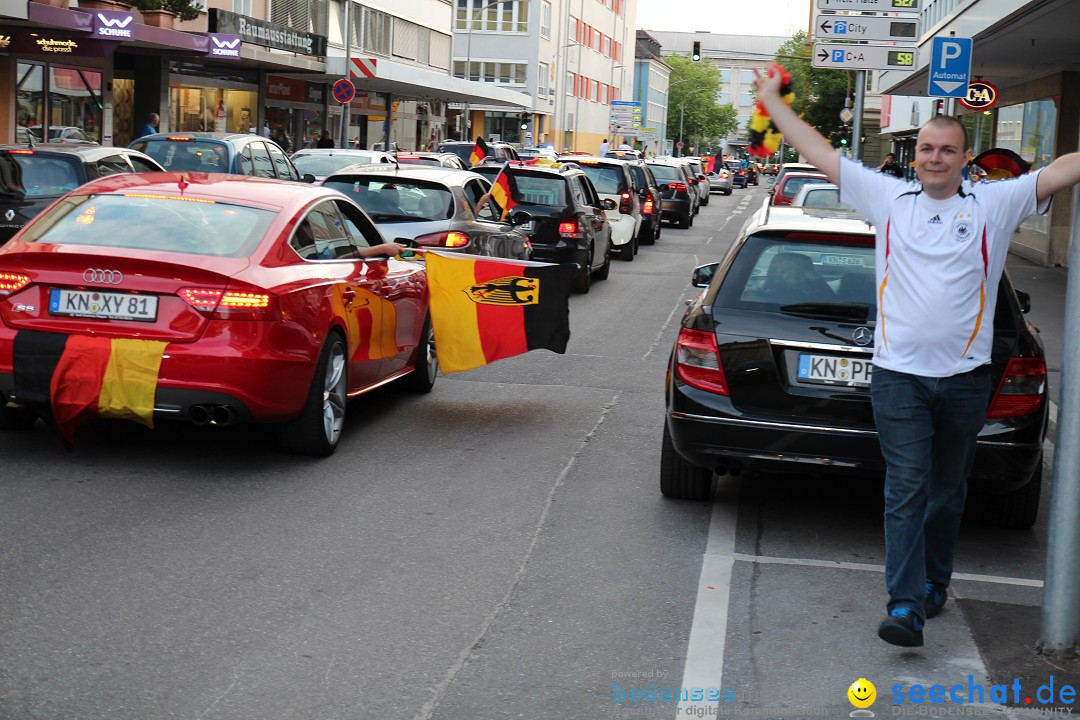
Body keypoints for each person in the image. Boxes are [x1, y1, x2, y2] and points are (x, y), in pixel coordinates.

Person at [754, 65, 1080, 649]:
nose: (934, 157)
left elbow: (1060, 169)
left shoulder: (995, 204)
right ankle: (904, 604)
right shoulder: (889, 198)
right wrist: (773, 107)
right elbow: (822, 153)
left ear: (964, 157)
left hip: (964, 380)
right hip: (898, 376)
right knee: (906, 485)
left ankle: (934, 581)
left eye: (946, 150)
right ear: (917, 155)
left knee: (947, 490)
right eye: (926, 148)